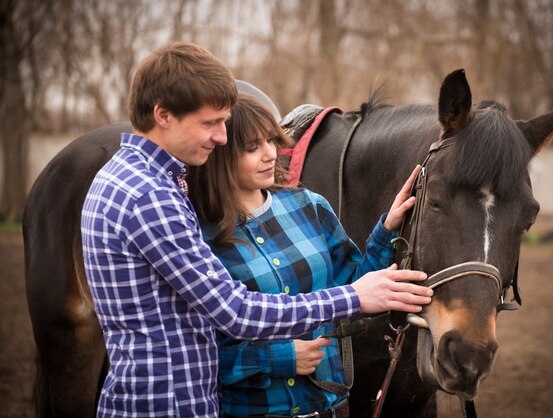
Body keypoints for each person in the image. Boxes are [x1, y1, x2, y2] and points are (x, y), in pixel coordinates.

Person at [80, 41, 433, 417]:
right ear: (163, 115)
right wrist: (343, 306)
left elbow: (349, 279)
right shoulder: (153, 198)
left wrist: (384, 235)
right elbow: (234, 312)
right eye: (210, 124)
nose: (219, 137)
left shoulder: (133, 180)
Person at [186, 94, 427, 418]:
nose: (271, 154)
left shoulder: (309, 205)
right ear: (220, 156)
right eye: (252, 147)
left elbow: (352, 290)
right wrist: (278, 359)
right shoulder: (200, 237)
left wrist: (387, 229)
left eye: (271, 140)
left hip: (330, 408)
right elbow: (195, 353)